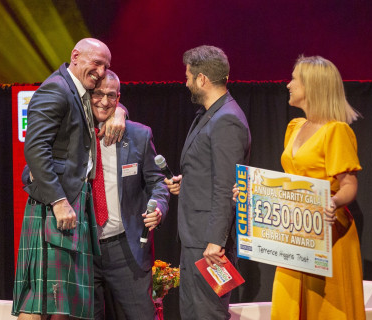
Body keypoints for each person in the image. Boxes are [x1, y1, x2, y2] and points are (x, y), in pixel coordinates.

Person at [13, 38, 127, 320]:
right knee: (39, 298)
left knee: (64, 302)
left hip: (76, 200)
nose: (101, 71)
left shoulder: (80, 90)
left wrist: (121, 113)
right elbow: (35, 148)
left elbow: (108, 103)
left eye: (106, 66)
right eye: (96, 63)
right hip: (56, 203)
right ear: (75, 56)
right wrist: (59, 201)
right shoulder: (57, 89)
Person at [250, 55, 365, 319]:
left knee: (323, 307)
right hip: (295, 230)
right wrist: (253, 193)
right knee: (288, 301)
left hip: (327, 232)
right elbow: (289, 181)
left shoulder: (336, 131)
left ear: (312, 86)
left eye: (294, 79)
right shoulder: (295, 127)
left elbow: (349, 184)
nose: (288, 84)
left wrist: (333, 202)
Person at [165, 45, 251, 320]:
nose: (186, 82)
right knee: (192, 312)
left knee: (207, 314)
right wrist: (186, 182)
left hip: (210, 244)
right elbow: (209, 172)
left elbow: (227, 186)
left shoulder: (226, 119)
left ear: (202, 79)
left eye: (188, 76)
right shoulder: (209, 114)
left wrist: (216, 241)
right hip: (195, 237)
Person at [88, 70, 169, 320]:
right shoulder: (75, 132)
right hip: (84, 249)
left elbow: (158, 181)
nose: (103, 101)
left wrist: (158, 208)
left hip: (126, 248)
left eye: (110, 96)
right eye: (97, 94)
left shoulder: (137, 135)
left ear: (118, 97)